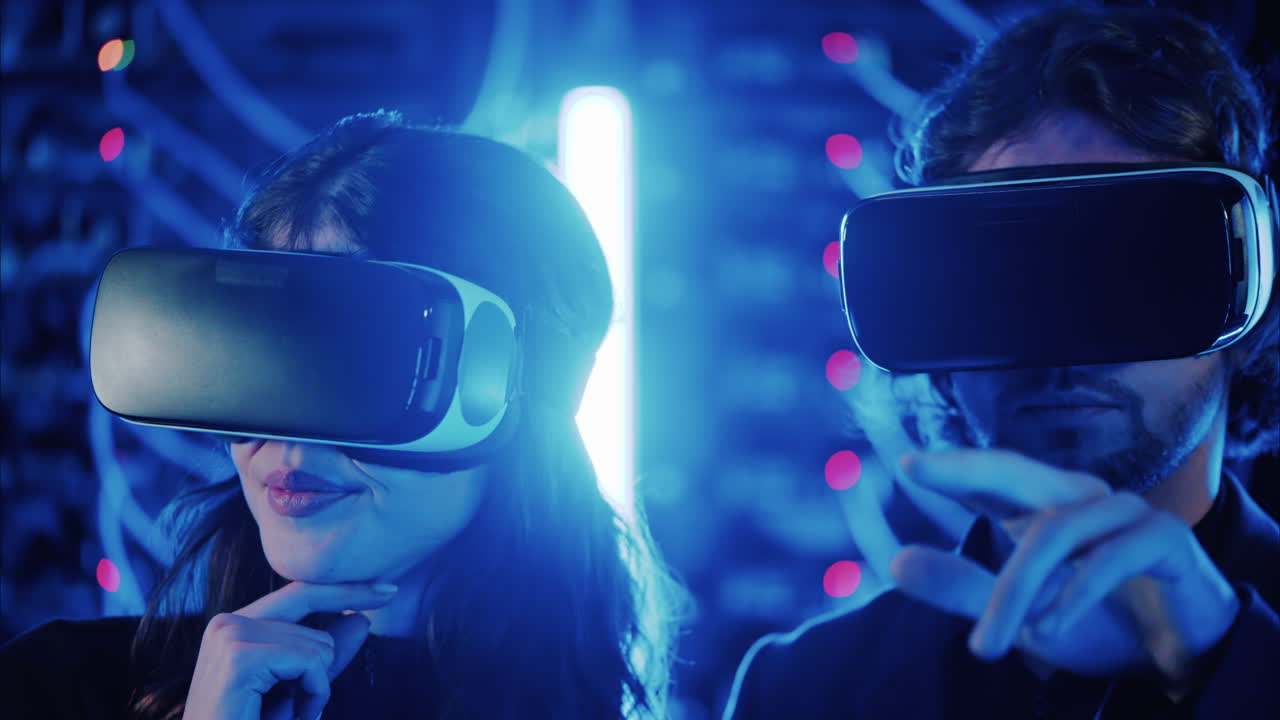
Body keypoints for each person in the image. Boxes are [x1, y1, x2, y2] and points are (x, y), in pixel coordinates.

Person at [0, 111, 682, 719]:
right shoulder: (51, 690)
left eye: (358, 362)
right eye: (262, 356)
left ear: (520, 396)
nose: (286, 441)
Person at [725, 5, 1278, 719]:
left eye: (1131, 269)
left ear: (1243, 286)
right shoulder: (803, 692)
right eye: (1006, 276)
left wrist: (1237, 671)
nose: (1063, 342)